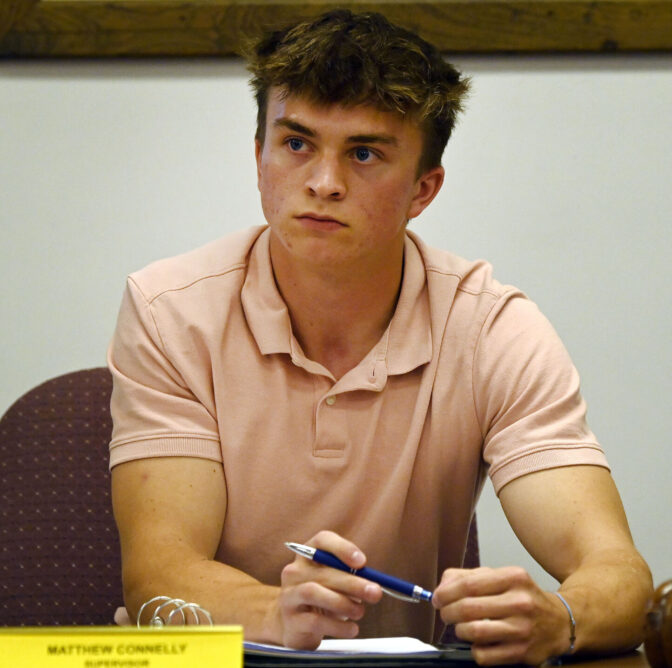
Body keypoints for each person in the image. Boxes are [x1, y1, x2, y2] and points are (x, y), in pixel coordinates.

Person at [108, 9, 652, 665]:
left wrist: (559, 617)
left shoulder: (492, 329)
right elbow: (158, 576)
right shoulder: (171, 311)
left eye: (364, 154)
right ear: (259, 159)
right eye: (297, 144)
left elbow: (619, 576)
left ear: (424, 189)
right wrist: (276, 613)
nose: (323, 182)